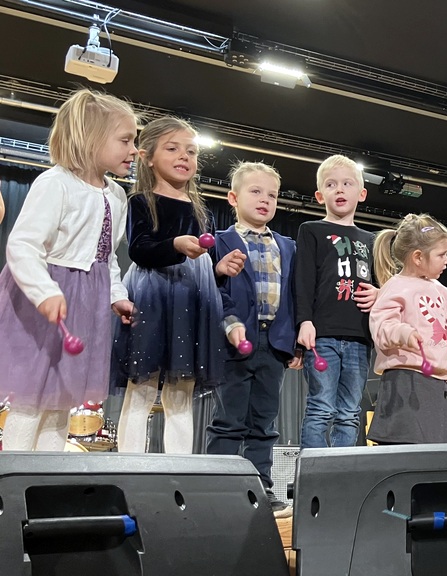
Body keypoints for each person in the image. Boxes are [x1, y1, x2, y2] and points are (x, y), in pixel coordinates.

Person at [0, 89, 136, 450]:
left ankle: (44, 477)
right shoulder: (55, 183)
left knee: (61, 400)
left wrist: (116, 295)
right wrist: (44, 291)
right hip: (46, 302)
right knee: (31, 401)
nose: (134, 150)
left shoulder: (116, 195)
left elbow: (106, 256)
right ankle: (12, 478)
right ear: (91, 139)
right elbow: (23, 245)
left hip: (87, 303)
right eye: (125, 140)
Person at [112, 116, 227, 454]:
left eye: (191, 151)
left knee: (182, 391)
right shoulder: (141, 201)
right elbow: (139, 250)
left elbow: (205, 262)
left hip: (192, 299)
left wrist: (220, 269)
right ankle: (129, 465)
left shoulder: (202, 210)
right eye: (173, 149)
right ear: (147, 157)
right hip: (154, 295)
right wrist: (175, 245)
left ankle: (179, 468)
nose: (184, 157)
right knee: (142, 386)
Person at [205, 161, 298, 518]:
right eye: (256, 191)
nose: (264, 200)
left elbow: (295, 296)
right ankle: (220, 489)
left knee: (264, 422)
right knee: (229, 420)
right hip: (233, 343)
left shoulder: (287, 246)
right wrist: (230, 323)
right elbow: (212, 289)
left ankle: (261, 489)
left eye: (272, 195)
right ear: (233, 197)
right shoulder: (221, 242)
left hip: (274, 345)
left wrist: (296, 343)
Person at [294, 154, 378, 448]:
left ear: (361, 193)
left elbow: (384, 282)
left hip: (358, 337)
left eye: (347, 184)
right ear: (320, 196)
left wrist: (379, 293)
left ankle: (342, 470)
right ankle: (314, 470)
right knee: (321, 407)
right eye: (331, 185)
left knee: (350, 413)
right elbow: (303, 280)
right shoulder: (311, 230)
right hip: (323, 335)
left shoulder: (371, 240)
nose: (339, 189)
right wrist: (304, 321)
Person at [368, 214, 447, 444]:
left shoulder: (443, 292)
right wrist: (404, 333)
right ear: (418, 257)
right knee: (406, 451)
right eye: (441, 255)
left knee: (436, 454)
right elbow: (381, 325)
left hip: (436, 385)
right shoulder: (395, 287)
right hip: (405, 381)